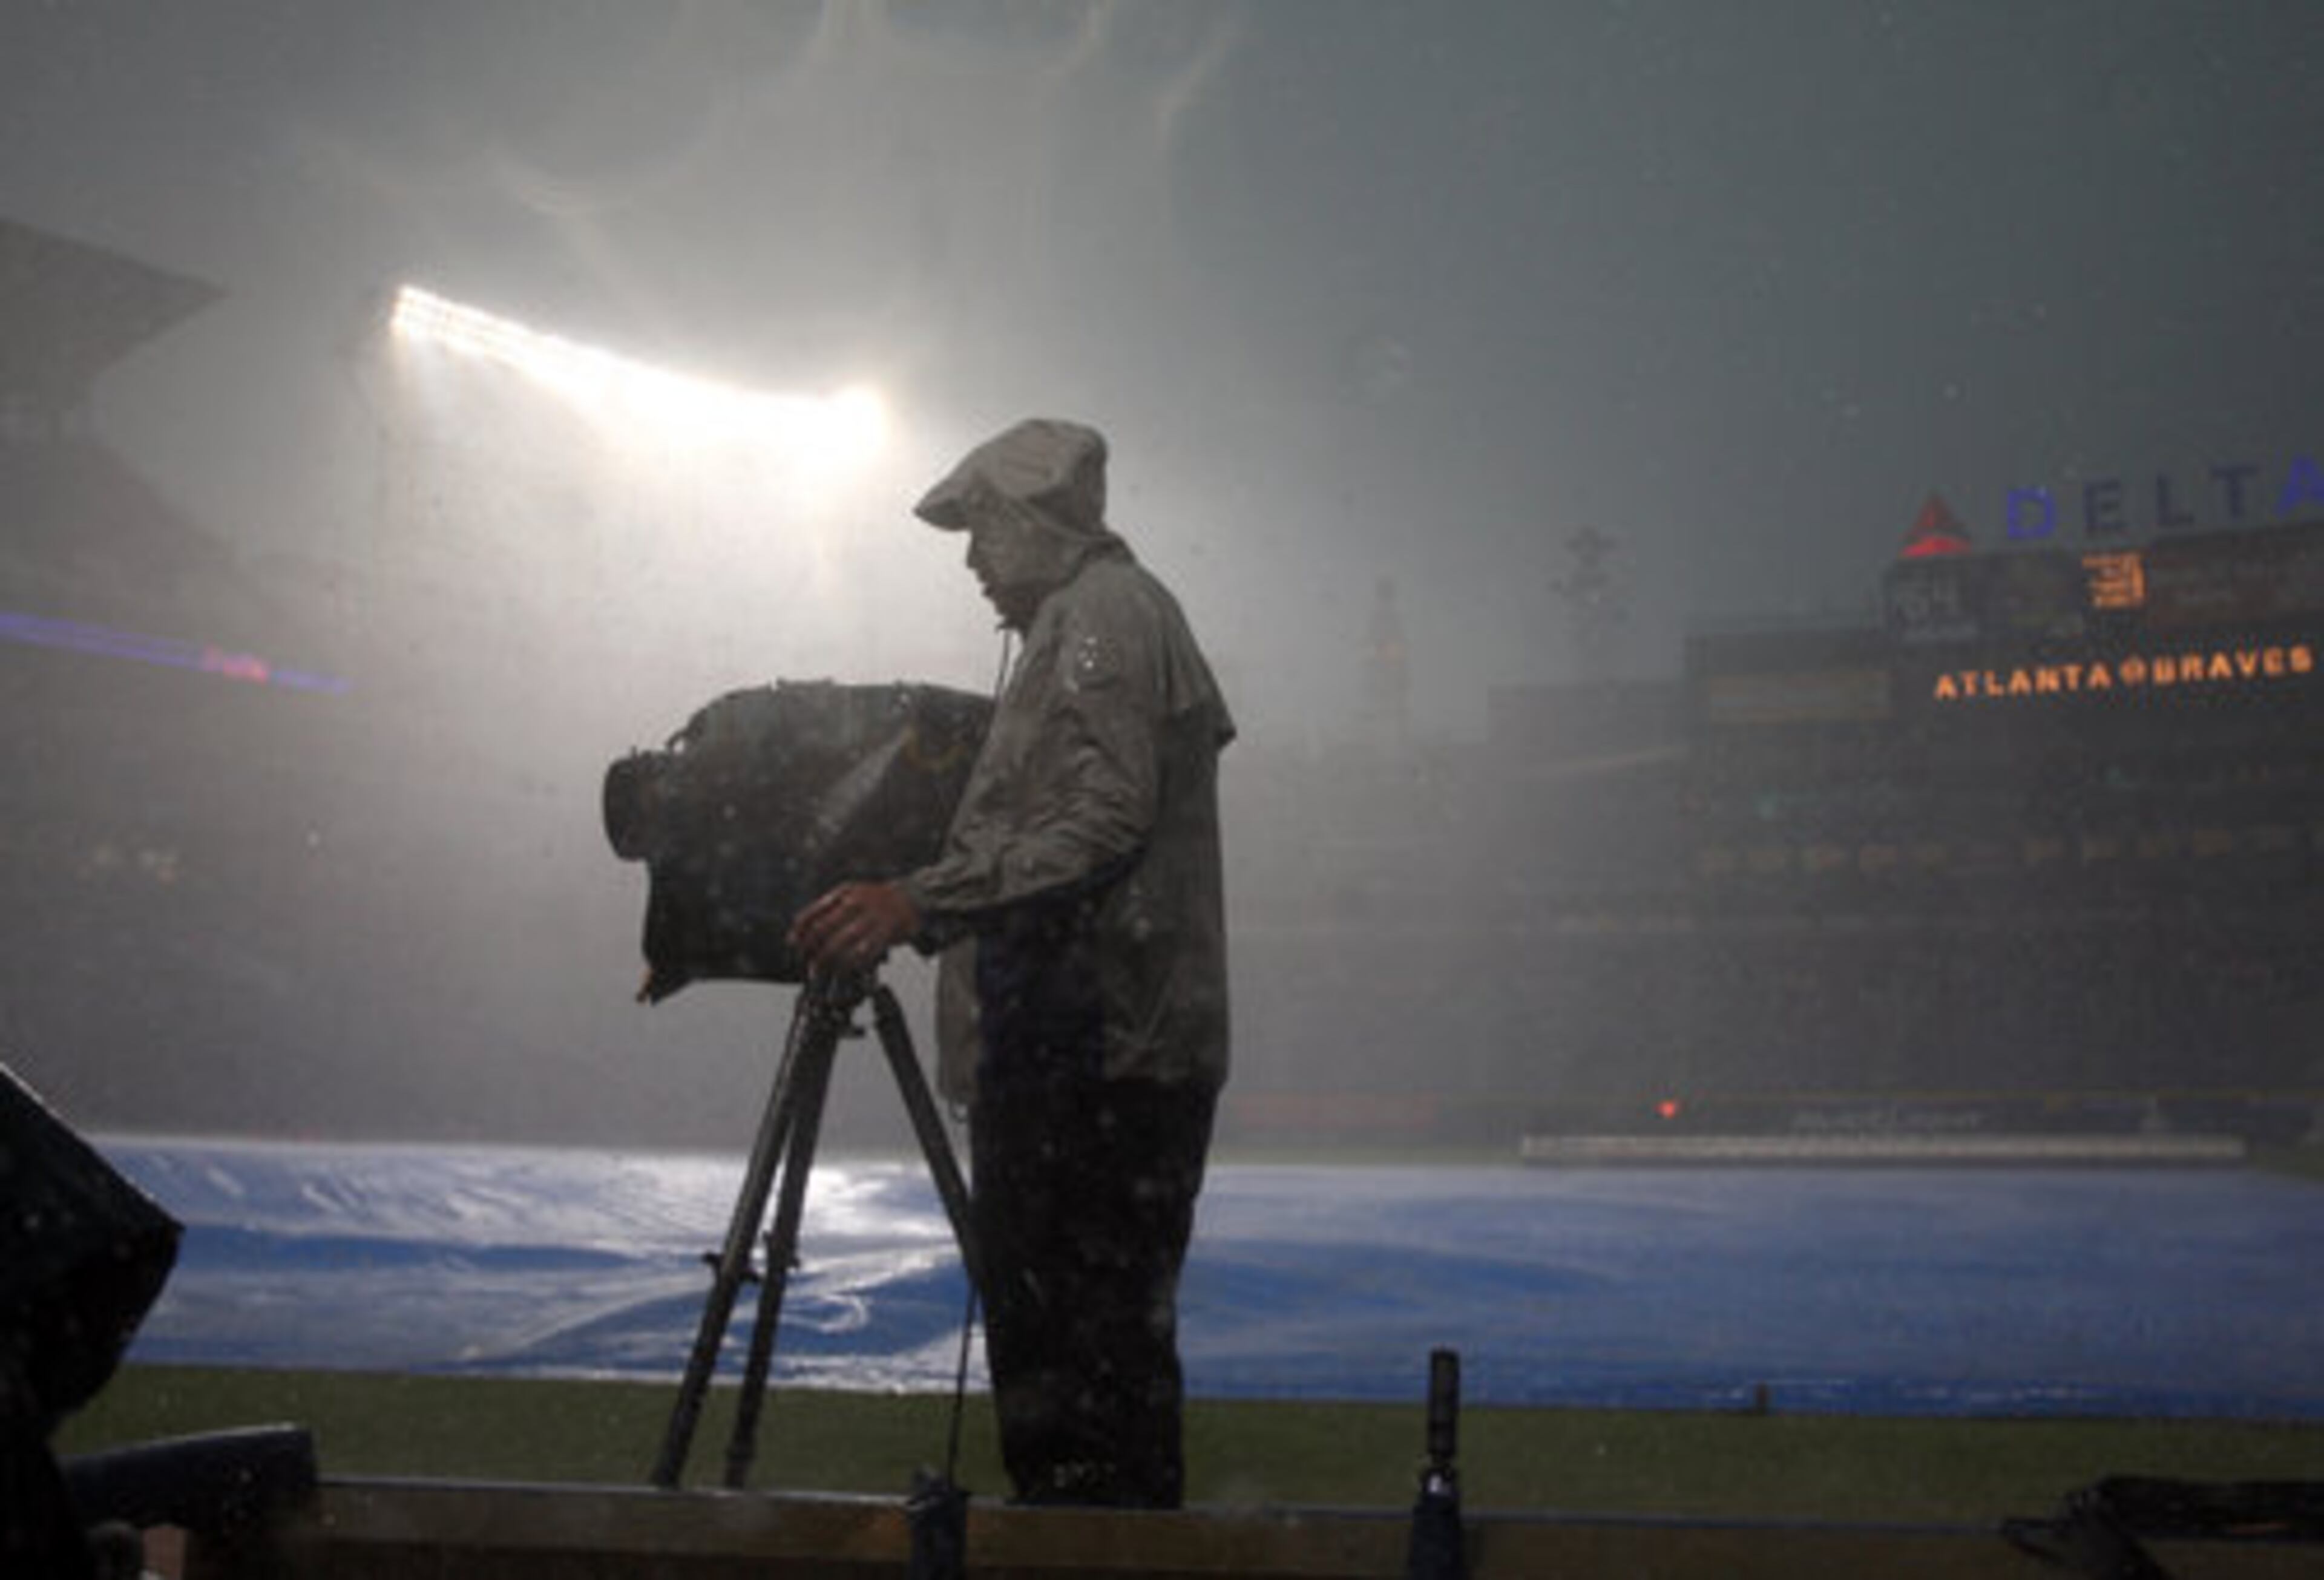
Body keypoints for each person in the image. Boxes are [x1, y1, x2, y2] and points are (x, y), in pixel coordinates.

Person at [788, 416, 1233, 1507]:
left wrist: (918, 900)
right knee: (1088, 1365)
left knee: (1077, 1370)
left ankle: (1091, 1551)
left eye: (984, 526)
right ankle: (1094, 1540)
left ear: (1038, 522)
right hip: (1088, 1046)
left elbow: (1104, 821)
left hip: (1094, 1055)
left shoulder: (1101, 621)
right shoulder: (1092, 623)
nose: (973, 555)